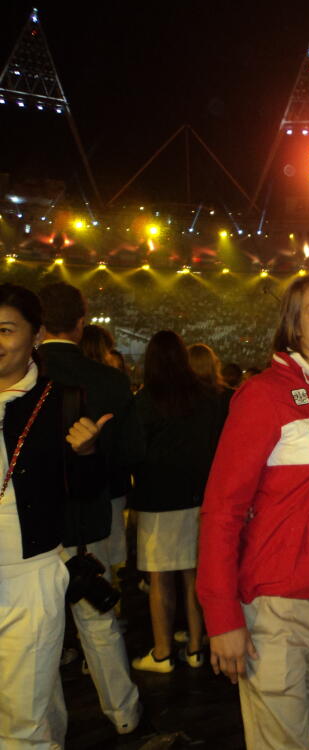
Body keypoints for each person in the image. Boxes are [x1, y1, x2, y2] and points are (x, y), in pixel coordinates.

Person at [197, 272, 309, 750]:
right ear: (294, 326)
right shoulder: (263, 396)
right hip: (276, 607)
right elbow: (221, 511)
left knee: (304, 733)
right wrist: (223, 617)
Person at [0, 283, 111, 748]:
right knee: (36, 704)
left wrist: (86, 454)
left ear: (37, 335)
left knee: (22, 720)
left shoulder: (59, 400)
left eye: (5, 330)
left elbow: (83, 494)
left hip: (30, 574)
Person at [37, 282, 142, 736]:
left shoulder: (19, 374)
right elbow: (129, 455)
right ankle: (124, 715)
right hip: (88, 519)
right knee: (99, 624)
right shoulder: (111, 381)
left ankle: (40, 734)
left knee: (35, 637)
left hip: (29, 525)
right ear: (82, 323)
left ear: (36, 325)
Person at [130, 331, 225, 673]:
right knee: (193, 576)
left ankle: (162, 652)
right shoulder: (207, 397)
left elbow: (134, 451)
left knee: (159, 579)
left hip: (158, 500)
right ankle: (197, 647)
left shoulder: (145, 400)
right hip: (200, 497)